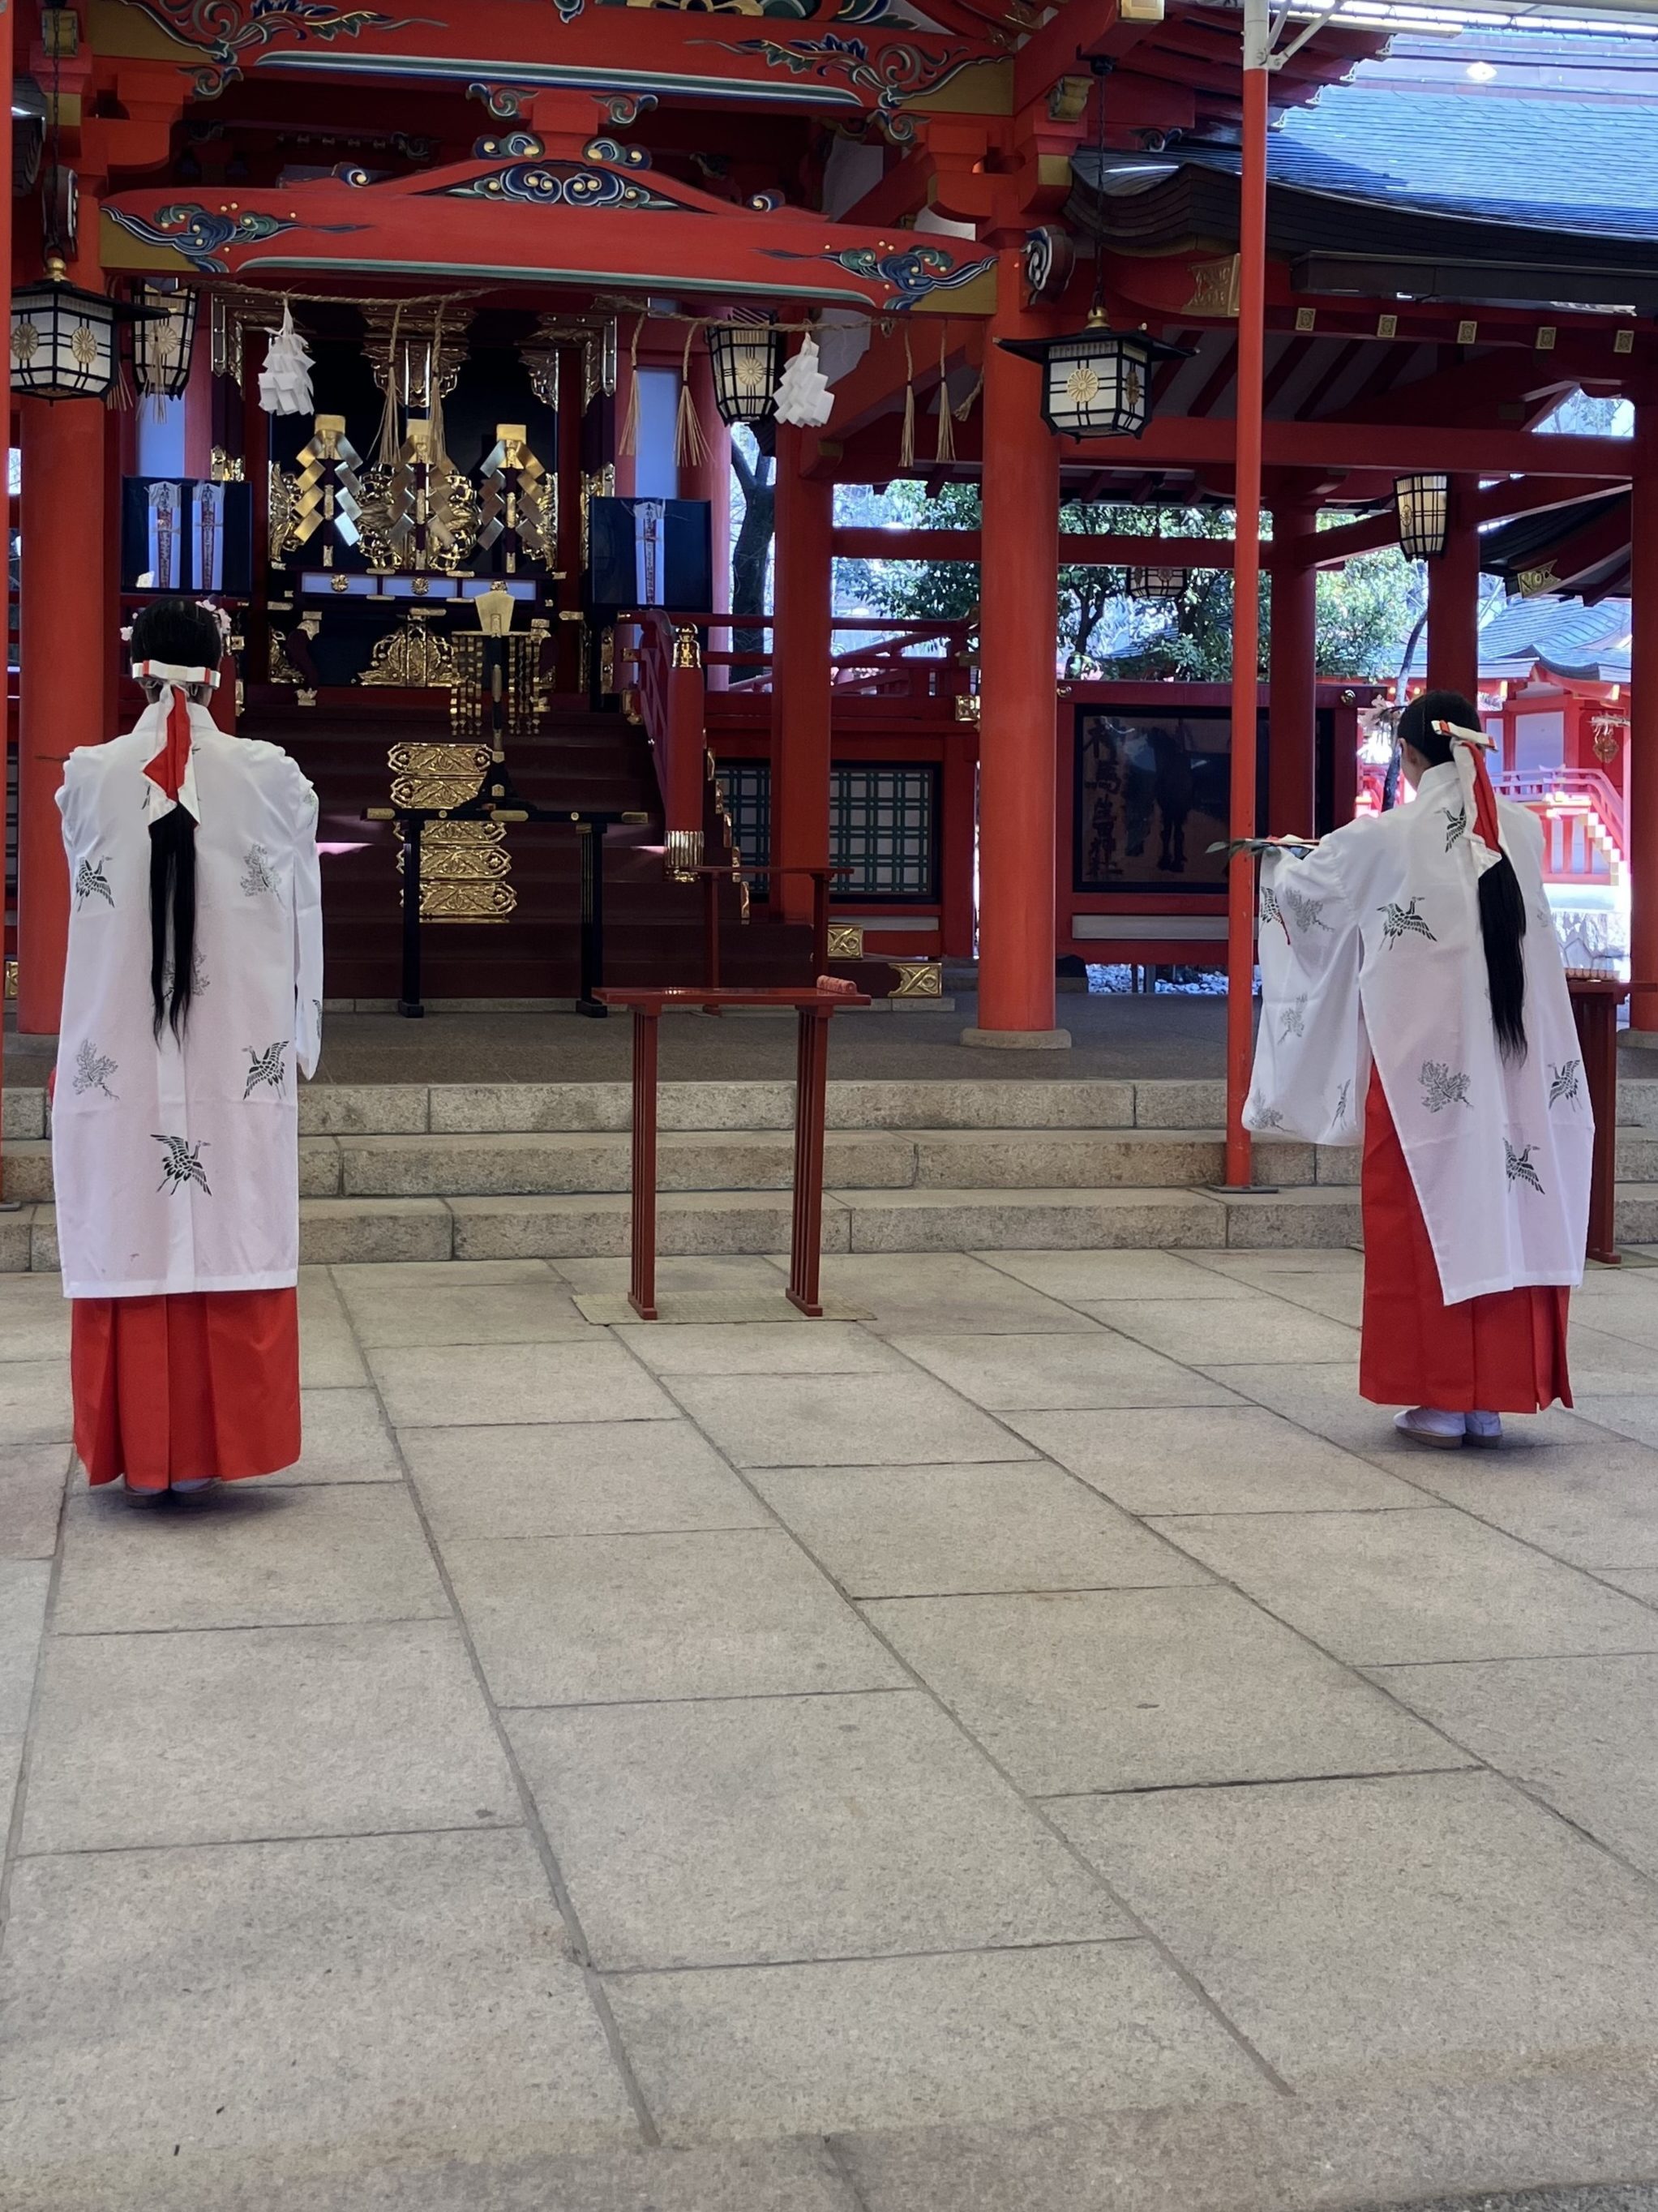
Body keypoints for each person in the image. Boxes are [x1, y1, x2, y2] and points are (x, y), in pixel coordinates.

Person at [1245, 688, 1591, 1447]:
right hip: (1521, 1070)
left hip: (1422, 1078)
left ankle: (1441, 1400)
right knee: (1514, 1206)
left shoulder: (1385, 837)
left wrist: (1272, 858)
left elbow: (1306, 892)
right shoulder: (1525, 831)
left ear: (1406, 755)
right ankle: (1491, 1399)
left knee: (1425, 1216)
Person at [51, 596, 323, 1494]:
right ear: (218, 671)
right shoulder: (273, 776)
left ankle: (140, 1443)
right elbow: (302, 903)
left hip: (120, 1045)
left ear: (136, 670)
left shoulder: (85, 776)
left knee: (126, 1206)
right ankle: (225, 1444)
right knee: (234, 1202)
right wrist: (302, 1025)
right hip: (235, 1044)